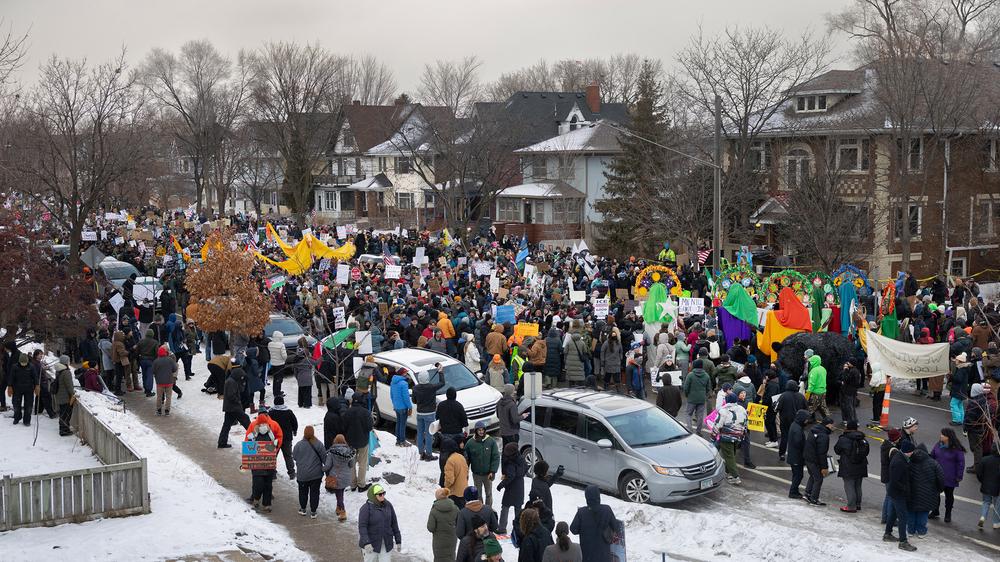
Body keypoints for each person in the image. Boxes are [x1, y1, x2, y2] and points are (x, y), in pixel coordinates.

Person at [569, 485, 619, 562]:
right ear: (598, 496)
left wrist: (583, 529)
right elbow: (616, 527)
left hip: (588, 555)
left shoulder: (581, 512)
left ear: (587, 497)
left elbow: (573, 530)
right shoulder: (607, 509)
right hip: (604, 554)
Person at [884, 440, 917, 551]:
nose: (913, 453)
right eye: (912, 451)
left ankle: (887, 534)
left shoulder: (900, 457)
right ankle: (903, 542)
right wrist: (905, 489)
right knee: (903, 517)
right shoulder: (900, 462)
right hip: (898, 494)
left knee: (893, 514)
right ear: (908, 451)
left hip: (894, 492)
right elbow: (895, 480)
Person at [907, 442, 944, 538]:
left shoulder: (910, 461)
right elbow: (941, 478)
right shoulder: (934, 463)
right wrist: (939, 489)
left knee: (911, 512)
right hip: (928, 494)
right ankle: (921, 531)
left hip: (911, 493)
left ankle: (910, 530)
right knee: (923, 513)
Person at [358, 483, 402, 561]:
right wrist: (366, 542)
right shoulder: (366, 508)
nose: (383, 496)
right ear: (374, 496)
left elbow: (394, 523)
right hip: (371, 545)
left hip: (386, 543)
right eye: (380, 494)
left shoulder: (388, 505)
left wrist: (398, 540)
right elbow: (362, 527)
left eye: (383, 493)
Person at [930, 427, 966, 522]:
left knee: (949, 496)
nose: (940, 436)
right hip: (937, 476)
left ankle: (948, 513)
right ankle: (935, 510)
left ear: (948, 437)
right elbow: (932, 456)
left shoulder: (957, 449)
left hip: (950, 477)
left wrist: (959, 476)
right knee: (935, 495)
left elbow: (961, 463)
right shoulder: (938, 445)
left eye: (943, 434)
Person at [833, 420, 869, 512]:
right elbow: (867, 451)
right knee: (858, 486)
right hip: (861, 465)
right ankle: (858, 504)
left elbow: (836, 450)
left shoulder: (844, 438)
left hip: (848, 466)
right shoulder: (862, 438)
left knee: (849, 486)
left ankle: (851, 506)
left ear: (847, 427)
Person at [292, 425, 326, 518]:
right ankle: (313, 512)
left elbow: (294, 457)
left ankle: (303, 509)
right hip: (316, 475)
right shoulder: (319, 444)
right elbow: (324, 459)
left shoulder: (298, 445)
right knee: (314, 492)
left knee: (302, 492)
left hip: (302, 475)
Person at [713, 393, 748, 485]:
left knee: (729, 457)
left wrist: (713, 434)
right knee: (732, 454)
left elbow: (718, 424)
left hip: (726, 436)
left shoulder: (723, 410)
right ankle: (728, 473)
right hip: (738, 435)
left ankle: (735, 476)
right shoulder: (742, 409)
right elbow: (746, 422)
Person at [247, 417, 281, 512]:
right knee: (259, 484)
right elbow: (249, 446)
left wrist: (275, 444)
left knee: (268, 485)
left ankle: (267, 504)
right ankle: (256, 498)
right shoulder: (253, 434)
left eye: (264, 424)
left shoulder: (271, 434)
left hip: (268, 465)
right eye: (261, 424)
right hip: (257, 465)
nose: (263, 426)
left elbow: (276, 445)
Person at [413, 368, 446, 461]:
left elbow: (414, 401)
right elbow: (442, 383)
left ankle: (421, 453)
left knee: (420, 433)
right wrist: (440, 372)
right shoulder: (431, 387)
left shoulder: (415, 388)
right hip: (430, 413)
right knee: (429, 434)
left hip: (420, 413)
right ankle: (429, 454)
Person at [466, 421, 500, 507]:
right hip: (477, 474)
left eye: (482, 430)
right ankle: (480, 509)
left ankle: (488, 510)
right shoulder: (470, 443)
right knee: (478, 494)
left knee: (488, 493)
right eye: (479, 430)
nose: (481, 432)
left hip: (488, 474)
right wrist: (465, 471)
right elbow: (466, 459)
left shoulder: (491, 441)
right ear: (476, 431)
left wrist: (493, 471)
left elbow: (495, 457)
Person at [344, 394, 374, 491]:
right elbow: (370, 427)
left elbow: (343, 427)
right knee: (362, 463)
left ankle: (353, 484)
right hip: (362, 441)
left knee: (351, 463)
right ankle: (361, 485)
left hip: (350, 442)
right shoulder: (366, 413)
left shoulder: (347, 412)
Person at [497, 441, 528, 534]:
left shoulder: (511, 463)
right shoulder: (522, 459)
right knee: (518, 508)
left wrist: (501, 485)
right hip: (520, 487)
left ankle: (502, 528)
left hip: (511, 489)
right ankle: (519, 528)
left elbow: (510, 476)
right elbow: (526, 468)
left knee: (505, 507)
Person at [323, 434, 354, 521]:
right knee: (340, 493)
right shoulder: (349, 452)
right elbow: (351, 465)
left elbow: (328, 466)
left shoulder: (332, 452)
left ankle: (343, 511)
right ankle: (338, 508)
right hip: (346, 477)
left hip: (336, 477)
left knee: (339, 494)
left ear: (335, 441)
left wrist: (322, 469)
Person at [217, 363, 250, 448]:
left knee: (227, 425)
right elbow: (231, 395)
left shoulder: (232, 380)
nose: (242, 378)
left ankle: (222, 442)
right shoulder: (231, 382)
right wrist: (238, 401)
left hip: (229, 407)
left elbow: (239, 391)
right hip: (234, 407)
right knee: (246, 420)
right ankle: (254, 438)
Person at [803, 416, 834, 506]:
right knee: (818, 479)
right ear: (828, 425)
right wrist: (824, 467)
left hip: (808, 457)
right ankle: (814, 499)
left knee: (813, 476)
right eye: (832, 425)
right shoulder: (823, 436)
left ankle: (807, 494)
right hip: (814, 460)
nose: (833, 427)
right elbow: (822, 453)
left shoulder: (814, 430)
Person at [965, 383, 993, 474]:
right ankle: (976, 465)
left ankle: (977, 468)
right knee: (978, 448)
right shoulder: (984, 400)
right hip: (981, 428)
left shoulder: (973, 403)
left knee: (976, 448)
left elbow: (969, 418)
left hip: (974, 429)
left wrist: (966, 427)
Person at [268, 394, 299, 479]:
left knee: (273, 455)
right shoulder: (288, 412)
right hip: (286, 438)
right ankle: (291, 473)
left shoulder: (271, 412)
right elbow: (294, 422)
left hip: (274, 438)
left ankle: (272, 473)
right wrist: (295, 430)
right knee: (288, 455)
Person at [775, 380, 807, 461]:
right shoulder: (801, 396)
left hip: (785, 420)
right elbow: (806, 409)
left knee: (784, 437)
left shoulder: (783, 395)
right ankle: (798, 454)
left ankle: (782, 454)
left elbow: (776, 408)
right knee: (797, 438)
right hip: (798, 422)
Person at [427, 487, 459, 562]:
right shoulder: (455, 508)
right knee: (451, 557)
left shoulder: (434, 511)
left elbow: (430, 528)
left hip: (439, 541)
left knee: (439, 559)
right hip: (452, 539)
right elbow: (459, 523)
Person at [9, 352, 38, 426]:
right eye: (22, 362)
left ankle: (27, 420)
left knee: (28, 405)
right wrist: (10, 386)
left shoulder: (31, 367)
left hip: (29, 389)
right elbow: (11, 377)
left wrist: (37, 385)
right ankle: (17, 417)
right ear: (19, 361)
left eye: (25, 362)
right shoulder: (14, 367)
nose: (23, 364)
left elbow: (35, 377)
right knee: (16, 404)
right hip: (17, 389)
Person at [682, 359, 712, 434]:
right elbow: (708, 388)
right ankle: (698, 431)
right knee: (700, 416)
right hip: (701, 399)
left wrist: (687, 395)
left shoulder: (690, 375)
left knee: (688, 414)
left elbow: (686, 387)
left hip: (691, 398)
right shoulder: (706, 376)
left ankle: (689, 429)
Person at [786, 409, 810, 499]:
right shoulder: (797, 429)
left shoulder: (795, 425)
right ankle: (793, 492)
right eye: (806, 419)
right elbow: (798, 443)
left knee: (796, 475)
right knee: (798, 475)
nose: (807, 421)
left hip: (794, 456)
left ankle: (795, 490)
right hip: (796, 457)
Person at [975, 443, 1000, 530]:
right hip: (997, 487)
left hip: (985, 485)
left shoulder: (984, 459)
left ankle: (982, 517)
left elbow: (978, 473)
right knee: (997, 505)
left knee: (986, 502)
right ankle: (996, 523)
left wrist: (982, 481)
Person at [442, 436, 471, 509]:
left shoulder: (450, 461)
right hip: (464, 490)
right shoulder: (461, 457)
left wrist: (445, 486)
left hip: (454, 494)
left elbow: (450, 480)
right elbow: (467, 473)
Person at [389, 368, 413, 447]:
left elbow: (392, 395)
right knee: (402, 425)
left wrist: (395, 404)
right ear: (402, 374)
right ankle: (402, 441)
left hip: (397, 407)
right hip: (403, 407)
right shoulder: (404, 383)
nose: (406, 375)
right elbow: (406, 397)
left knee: (398, 423)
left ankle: (398, 440)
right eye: (405, 373)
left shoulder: (393, 382)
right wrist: (410, 407)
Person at [52, 359, 76, 436]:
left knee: (62, 413)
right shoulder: (66, 372)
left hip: (59, 395)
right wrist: (73, 394)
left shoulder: (58, 371)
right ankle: (64, 431)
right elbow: (69, 386)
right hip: (66, 397)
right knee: (66, 414)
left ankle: (63, 429)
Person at [151, 345, 178, 416]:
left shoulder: (156, 361)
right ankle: (167, 411)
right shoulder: (170, 360)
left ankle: (159, 410)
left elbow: (152, 371)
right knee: (168, 397)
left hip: (159, 382)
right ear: (166, 352)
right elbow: (175, 369)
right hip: (169, 381)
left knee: (159, 397)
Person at [497, 383, 521, 449]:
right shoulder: (512, 404)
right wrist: (523, 416)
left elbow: (498, 415)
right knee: (513, 451)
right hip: (512, 432)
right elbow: (515, 420)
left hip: (503, 431)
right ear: (512, 392)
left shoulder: (499, 402)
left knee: (505, 450)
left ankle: (505, 459)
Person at [805, 354, 829, 421]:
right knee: (823, 406)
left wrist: (807, 393)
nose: (810, 363)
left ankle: (806, 421)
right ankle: (827, 420)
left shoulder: (814, 371)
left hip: (815, 392)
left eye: (811, 361)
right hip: (823, 391)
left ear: (814, 362)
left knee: (810, 407)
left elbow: (812, 383)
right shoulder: (823, 369)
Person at [136, 329, 160, 397]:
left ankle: (145, 388)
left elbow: (137, 351)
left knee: (144, 374)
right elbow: (157, 352)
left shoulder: (141, 341)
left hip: (142, 360)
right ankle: (149, 390)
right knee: (150, 375)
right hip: (151, 360)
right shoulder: (155, 342)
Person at [839, 360, 862, 426]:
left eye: (849, 363)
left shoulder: (852, 371)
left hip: (849, 392)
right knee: (852, 407)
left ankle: (851, 421)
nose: (848, 364)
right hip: (853, 391)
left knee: (849, 407)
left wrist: (845, 371)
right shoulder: (856, 371)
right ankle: (855, 421)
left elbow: (846, 379)